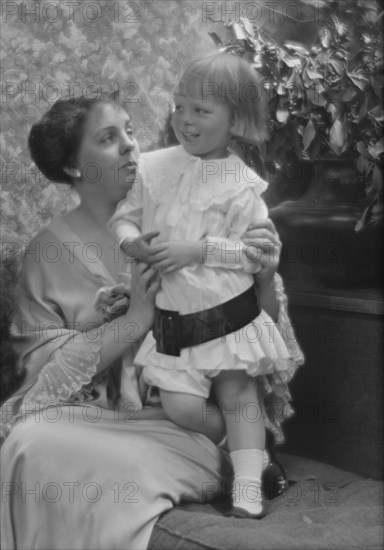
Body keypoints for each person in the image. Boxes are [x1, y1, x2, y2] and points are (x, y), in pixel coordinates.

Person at [0, 92, 290, 549]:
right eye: (109, 138)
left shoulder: (197, 209)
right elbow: (41, 379)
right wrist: (136, 319)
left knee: (109, 468)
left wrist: (265, 277)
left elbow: (259, 348)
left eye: (131, 132)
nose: (131, 146)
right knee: (27, 441)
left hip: (189, 421)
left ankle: (242, 469)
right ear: (75, 167)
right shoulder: (45, 253)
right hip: (91, 417)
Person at [109, 53, 304, 519]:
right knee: (180, 406)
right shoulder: (154, 167)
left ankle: (248, 488)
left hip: (227, 313)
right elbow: (124, 218)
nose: (185, 120)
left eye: (201, 110)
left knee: (239, 393)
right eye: (179, 107)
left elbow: (256, 254)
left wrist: (197, 251)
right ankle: (247, 448)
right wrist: (132, 244)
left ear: (234, 120)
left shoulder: (240, 184)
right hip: (176, 318)